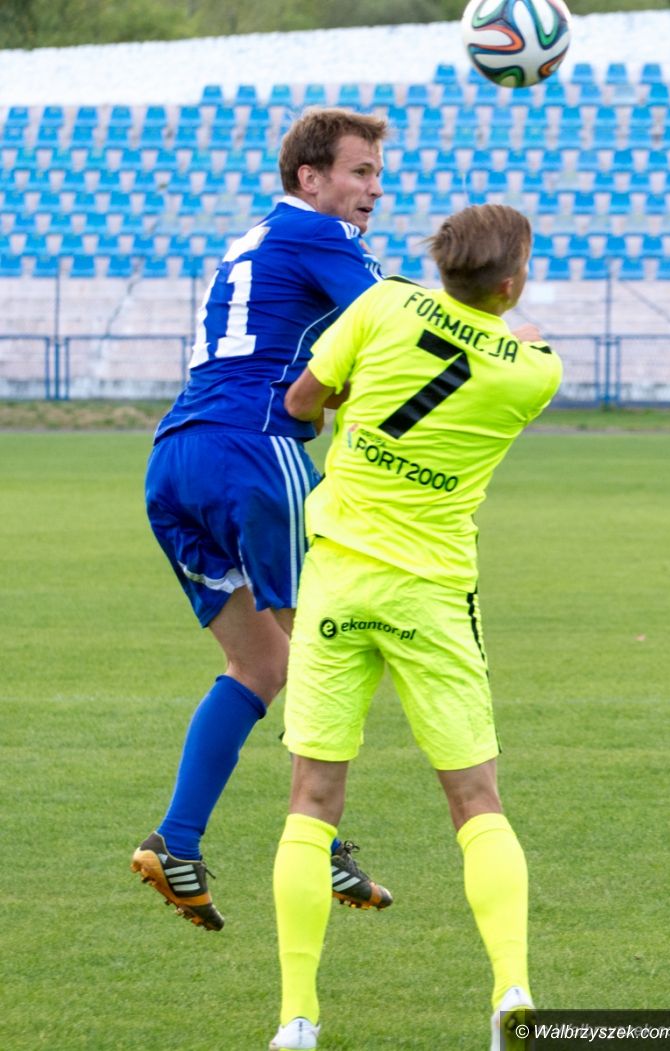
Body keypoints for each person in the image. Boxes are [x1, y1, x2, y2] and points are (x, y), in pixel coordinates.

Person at [270, 203, 562, 1051]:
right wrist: (509, 324)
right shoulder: (533, 371)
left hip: (338, 581)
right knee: (476, 800)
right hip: (431, 593)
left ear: (440, 265)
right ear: (510, 282)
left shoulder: (384, 303)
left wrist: (355, 391)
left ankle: (297, 1019)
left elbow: (301, 402)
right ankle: (513, 998)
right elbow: (505, 346)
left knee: (312, 800)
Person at [130, 108, 394, 932]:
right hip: (254, 451)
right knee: (326, 647)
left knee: (262, 663)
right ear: (310, 177)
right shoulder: (324, 235)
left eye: (377, 176)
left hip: (176, 455)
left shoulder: (251, 241)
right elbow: (399, 328)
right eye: (359, 172)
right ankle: (323, 842)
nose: (373, 191)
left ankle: (176, 840)